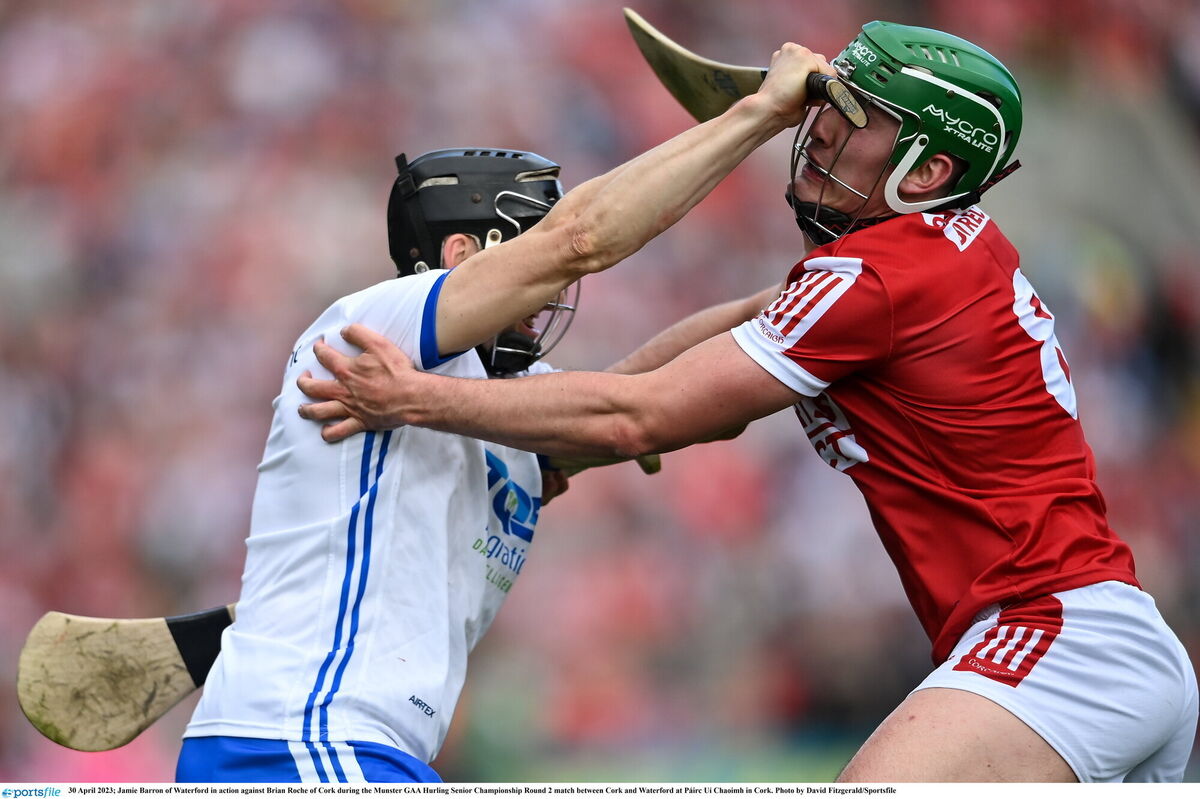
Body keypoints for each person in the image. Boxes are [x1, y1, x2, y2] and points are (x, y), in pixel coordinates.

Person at [296, 22, 1199, 783]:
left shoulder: (883, 279)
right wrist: (550, 449)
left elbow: (638, 416)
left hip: (1055, 641)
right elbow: (718, 361)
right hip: (1100, 640)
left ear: (926, 171)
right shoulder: (928, 259)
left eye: (856, 125)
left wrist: (415, 398)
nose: (816, 139)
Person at [176, 43, 834, 783]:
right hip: (308, 740)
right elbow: (583, 241)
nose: (553, 290)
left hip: (352, 747)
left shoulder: (482, 399)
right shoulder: (371, 329)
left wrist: (786, 304)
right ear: (463, 253)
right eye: (529, 237)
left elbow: (641, 399)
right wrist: (761, 114)